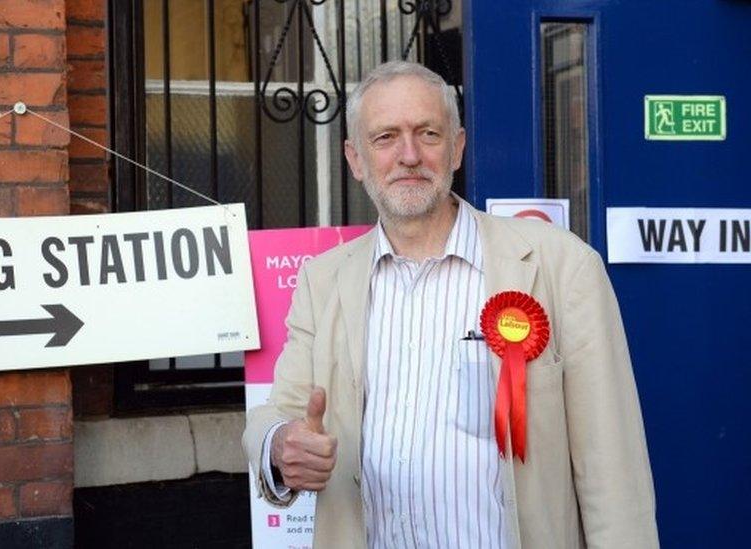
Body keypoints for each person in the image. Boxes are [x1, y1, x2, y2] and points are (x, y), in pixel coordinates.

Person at [242, 61, 658, 548]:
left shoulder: (562, 267)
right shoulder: (322, 280)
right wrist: (279, 445)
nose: (409, 155)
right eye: (385, 138)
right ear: (355, 160)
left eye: (428, 133)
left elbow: (612, 469)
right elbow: (278, 413)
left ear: (457, 148)